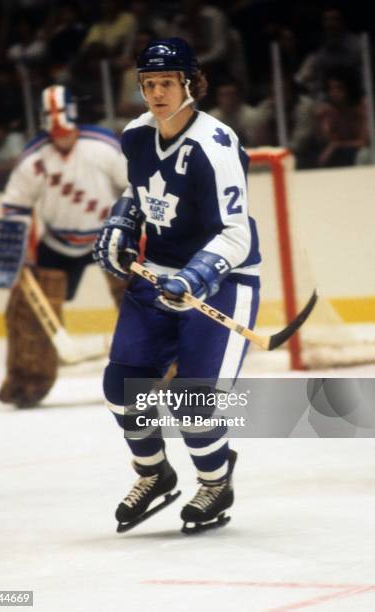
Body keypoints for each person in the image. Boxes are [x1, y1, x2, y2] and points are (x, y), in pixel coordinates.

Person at [93, 38, 261, 533]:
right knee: (121, 388)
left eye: (166, 82)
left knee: (193, 400)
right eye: (148, 84)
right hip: (157, 277)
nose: (157, 93)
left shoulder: (217, 145)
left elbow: (236, 232)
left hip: (223, 279)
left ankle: (214, 482)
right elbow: (138, 191)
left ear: (190, 84)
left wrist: (198, 274)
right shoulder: (137, 135)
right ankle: (154, 474)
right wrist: (120, 223)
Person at [0, 84, 128, 408]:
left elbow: (134, 188)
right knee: (29, 308)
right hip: (58, 240)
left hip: (109, 236)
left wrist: (135, 233)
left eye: (66, 131)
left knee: (144, 301)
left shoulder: (104, 147)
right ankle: (27, 380)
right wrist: (21, 256)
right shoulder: (33, 158)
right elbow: (15, 207)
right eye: (55, 131)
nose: (61, 138)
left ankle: (163, 372)